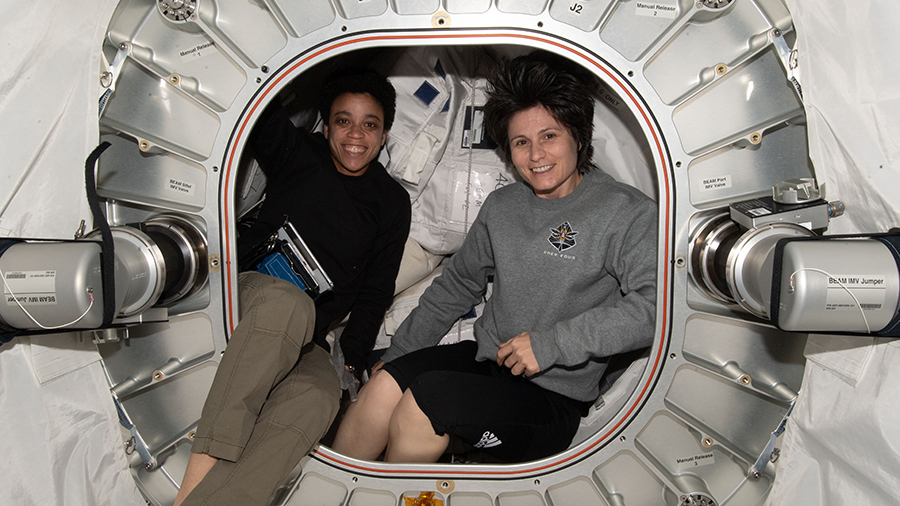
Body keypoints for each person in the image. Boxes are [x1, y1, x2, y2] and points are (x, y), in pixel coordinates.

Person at [332, 52, 657, 464]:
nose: (536, 155)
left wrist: (552, 343)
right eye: (521, 142)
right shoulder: (503, 206)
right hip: (488, 363)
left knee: (424, 406)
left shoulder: (626, 212)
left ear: (578, 135)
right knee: (381, 389)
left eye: (550, 136)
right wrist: (400, 356)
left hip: (554, 396)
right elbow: (457, 284)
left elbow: (652, 309)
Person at [174, 68, 411, 505]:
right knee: (289, 305)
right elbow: (250, 101)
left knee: (318, 396)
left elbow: (377, 290)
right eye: (343, 120)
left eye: (370, 124)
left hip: (311, 336)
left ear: (384, 134)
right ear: (325, 126)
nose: (355, 134)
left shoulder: (393, 201)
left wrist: (352, 360)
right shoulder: (297, 152)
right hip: (252, 294)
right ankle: (197, 477)